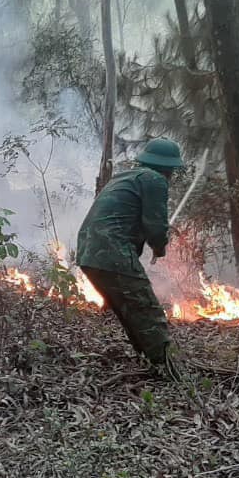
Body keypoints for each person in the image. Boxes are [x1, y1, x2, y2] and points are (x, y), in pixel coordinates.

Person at [76, 138, 184, 379]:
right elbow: (155, 225)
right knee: (147, 310)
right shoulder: (155, 180)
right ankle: (171, 370)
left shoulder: (125, 177)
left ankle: (150, 360)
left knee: (130, 311)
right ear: (168, 168)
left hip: (88, 252)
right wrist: (159, 247)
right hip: (111, 252)